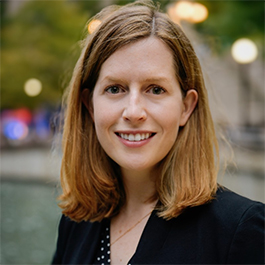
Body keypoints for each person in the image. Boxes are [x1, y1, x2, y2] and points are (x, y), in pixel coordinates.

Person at [51, 1, 264, 264]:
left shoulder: (239, 230)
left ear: (186, 107)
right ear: (90, 105)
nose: (133, 111)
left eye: (155, 89)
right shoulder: (77, 223)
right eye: (115, 89)